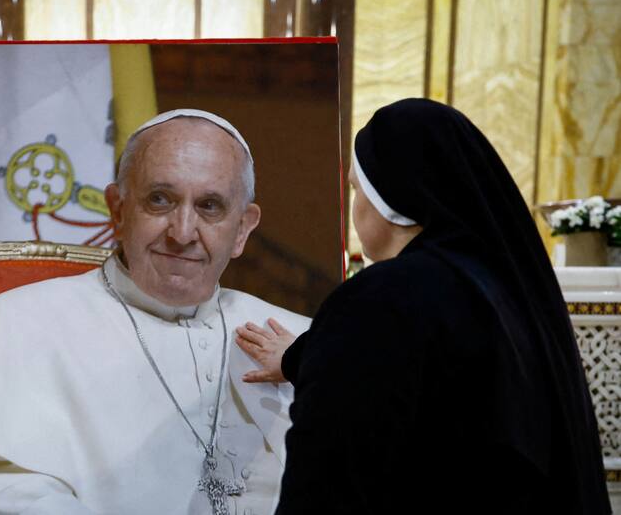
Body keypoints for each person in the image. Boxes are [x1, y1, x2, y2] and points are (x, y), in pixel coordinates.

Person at [236, 98, 611, 514]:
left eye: (357, 189)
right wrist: (303, 356)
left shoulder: (384, 297)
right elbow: (437, 376)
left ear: (389, 201)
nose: (354, 206)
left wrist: (324, 351)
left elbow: (331, 469)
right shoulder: (496, 285)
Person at [0, 109, 312, 515]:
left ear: (242, 229)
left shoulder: (304, 343)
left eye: (209, 206)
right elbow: (8, 493)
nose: (183, 232)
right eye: (160, 200)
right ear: (118, 211)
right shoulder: (19, 324)